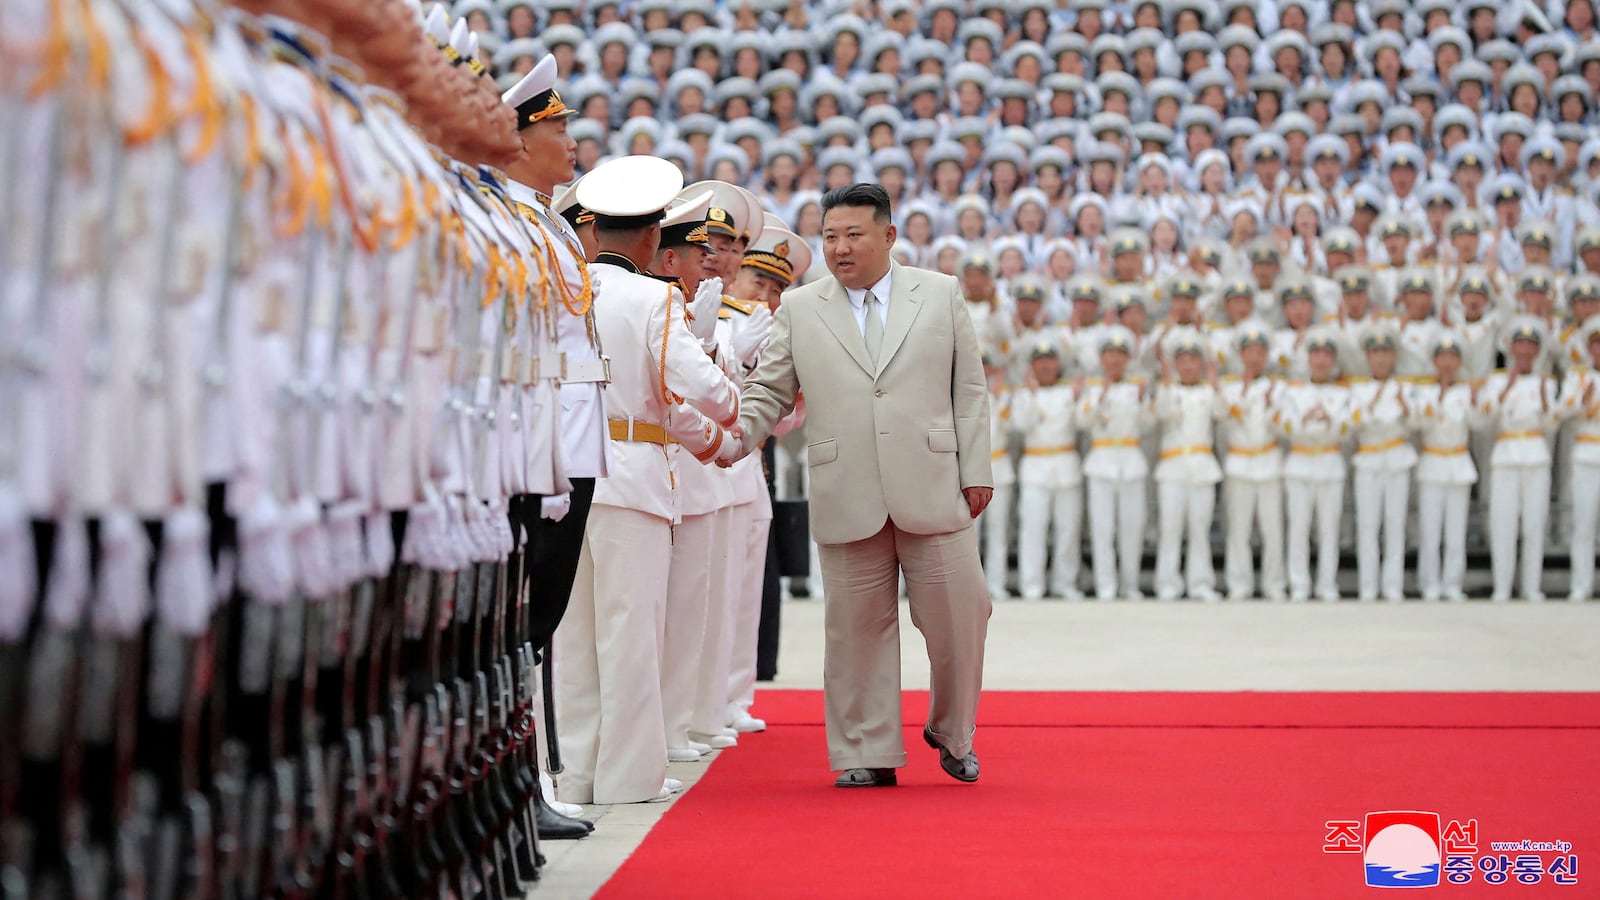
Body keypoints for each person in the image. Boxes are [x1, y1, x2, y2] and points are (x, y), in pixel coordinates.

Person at [727, 183, 994, 788]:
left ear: (889, 236)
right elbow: (770, 390)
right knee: (855, 631)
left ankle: (953, 731)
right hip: (846, 485)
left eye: (853, 235)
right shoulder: (801, 307)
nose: (840, 248)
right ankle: (866, 751)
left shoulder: (940, 293)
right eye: (830, 237)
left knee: (963, 614)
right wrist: (733, 439)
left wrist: (976, 467)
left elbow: (970, 388)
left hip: (934, 483)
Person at [554, 156, 744, 805]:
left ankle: (577, 773)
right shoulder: (653, 297)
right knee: (630, 632)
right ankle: (628, 776)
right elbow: (702, 392)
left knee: (575, 634)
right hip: (632, 476)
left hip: (566, 472)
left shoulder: (565, 286)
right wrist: (733, 414)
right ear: (651, 237)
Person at [1481, 320, 1561, 602]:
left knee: (1534, 524)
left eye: (1530, 345)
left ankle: (1531, 586)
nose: (1525, 350)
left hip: (1535, 454)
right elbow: (1486, 417)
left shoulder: (1546, 382)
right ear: (1511, 348)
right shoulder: (1496, 380)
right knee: (1503, 523)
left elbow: (1552, 423)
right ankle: (1502, 586)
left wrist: (1545, 400)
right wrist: (1506, 388)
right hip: (1506, 454)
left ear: (1537, 351)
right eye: (1520, 344)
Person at [1079, 328, 1154, 600]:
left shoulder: (1138, 389)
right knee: (1102, 529)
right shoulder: (1091, 388)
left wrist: (1144, 399)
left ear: (1128, 358)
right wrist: (1100, 397)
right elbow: (1082, 421)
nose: (1115, 360)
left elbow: (1149, 423)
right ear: (1102, 358)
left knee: (1132, 528)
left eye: (1120, 354)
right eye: (1110, 354)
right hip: (1101, 460)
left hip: (1131, 460)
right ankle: (1106, 587)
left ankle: (1129, 585)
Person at [1276, 332, 1351, 602]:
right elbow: (1284, 426)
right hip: (1300, 462)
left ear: (1333, 361)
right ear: (1308, 359)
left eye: (1326, 355)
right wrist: (1305, 420)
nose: (1321, 360)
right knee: (1298, 528)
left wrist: (1329, 421)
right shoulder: (1292, 392)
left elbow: (1348, 428)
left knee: (1329, 529)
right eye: (1316, 355)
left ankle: (1327, 584)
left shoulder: (1343, 393)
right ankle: (1299, 584)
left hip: (1330, 462)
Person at [1216, 327, 1287, 601]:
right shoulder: (1229, 387)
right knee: (1239, 529)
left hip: (1268, 462)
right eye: (1250, 352)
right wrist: (1244, 394)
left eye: (1260, 352)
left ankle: (1274, 584)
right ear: (1241, 355)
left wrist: (1269, 406)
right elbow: (1223, 420)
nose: (1255, 358)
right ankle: (1239, 584)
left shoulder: (1278, 387)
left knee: (1273, 530)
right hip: (1239, 462)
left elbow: (1282, 427)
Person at [1010, 342, 1084, 600]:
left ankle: (1065, 583)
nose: (1045, 366)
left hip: (1066, 465)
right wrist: (1032, 396)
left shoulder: (1069, 391)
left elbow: (1082, 422)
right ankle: (1032, 584)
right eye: (1040, 361)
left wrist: (1078, 398)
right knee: (1033, 529)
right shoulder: (1022, 395)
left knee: (1068, 529)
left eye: (1050, 360)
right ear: (1032, 366)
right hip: (1035, 467)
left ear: (1057, 364)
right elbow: (1020, 425)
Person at [1348, 328, 1417, 601]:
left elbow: (1417, 423)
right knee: (1368, 525)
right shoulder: (1356, 389)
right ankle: (1368, 586)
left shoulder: (1405, 388)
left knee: (1395, 525)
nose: (1380, 358)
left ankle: (1392, 586)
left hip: (1397, 458)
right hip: (1368, 459)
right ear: (1367, 357)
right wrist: (1373, 404)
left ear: (1393, 356)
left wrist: (1405, 408)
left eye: (1385, 352)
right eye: (1375, 353)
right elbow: (1353, 423)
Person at [1153, 335, 1223, 601]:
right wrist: (1166, 382)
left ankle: (1200, 583)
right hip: (1172, 467)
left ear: (1201, 365)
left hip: (1202, 466)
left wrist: (1216, 386)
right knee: (1170, 529)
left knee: (1199, 529)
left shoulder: (1209, 391)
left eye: (1193, 360)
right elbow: (1161, 413)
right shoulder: (1167, 390)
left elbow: (1223, 413)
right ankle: (1167, 583)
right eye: (1182, 360)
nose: (1188, 365)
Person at [1413, 335, 1482, 602]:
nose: (1447, 363)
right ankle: (1429, 583)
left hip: (1459, 463)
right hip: (1432, 463)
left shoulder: (1466, 392)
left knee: (1456, 531)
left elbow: (1479, 424)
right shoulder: (1423, 392)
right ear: (1434, 361)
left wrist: (1475, 402)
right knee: (1430, 531)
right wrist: (1439, 397)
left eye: (1452, 358)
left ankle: (1452, 583)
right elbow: (1418, 423)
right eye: (1442, 358)